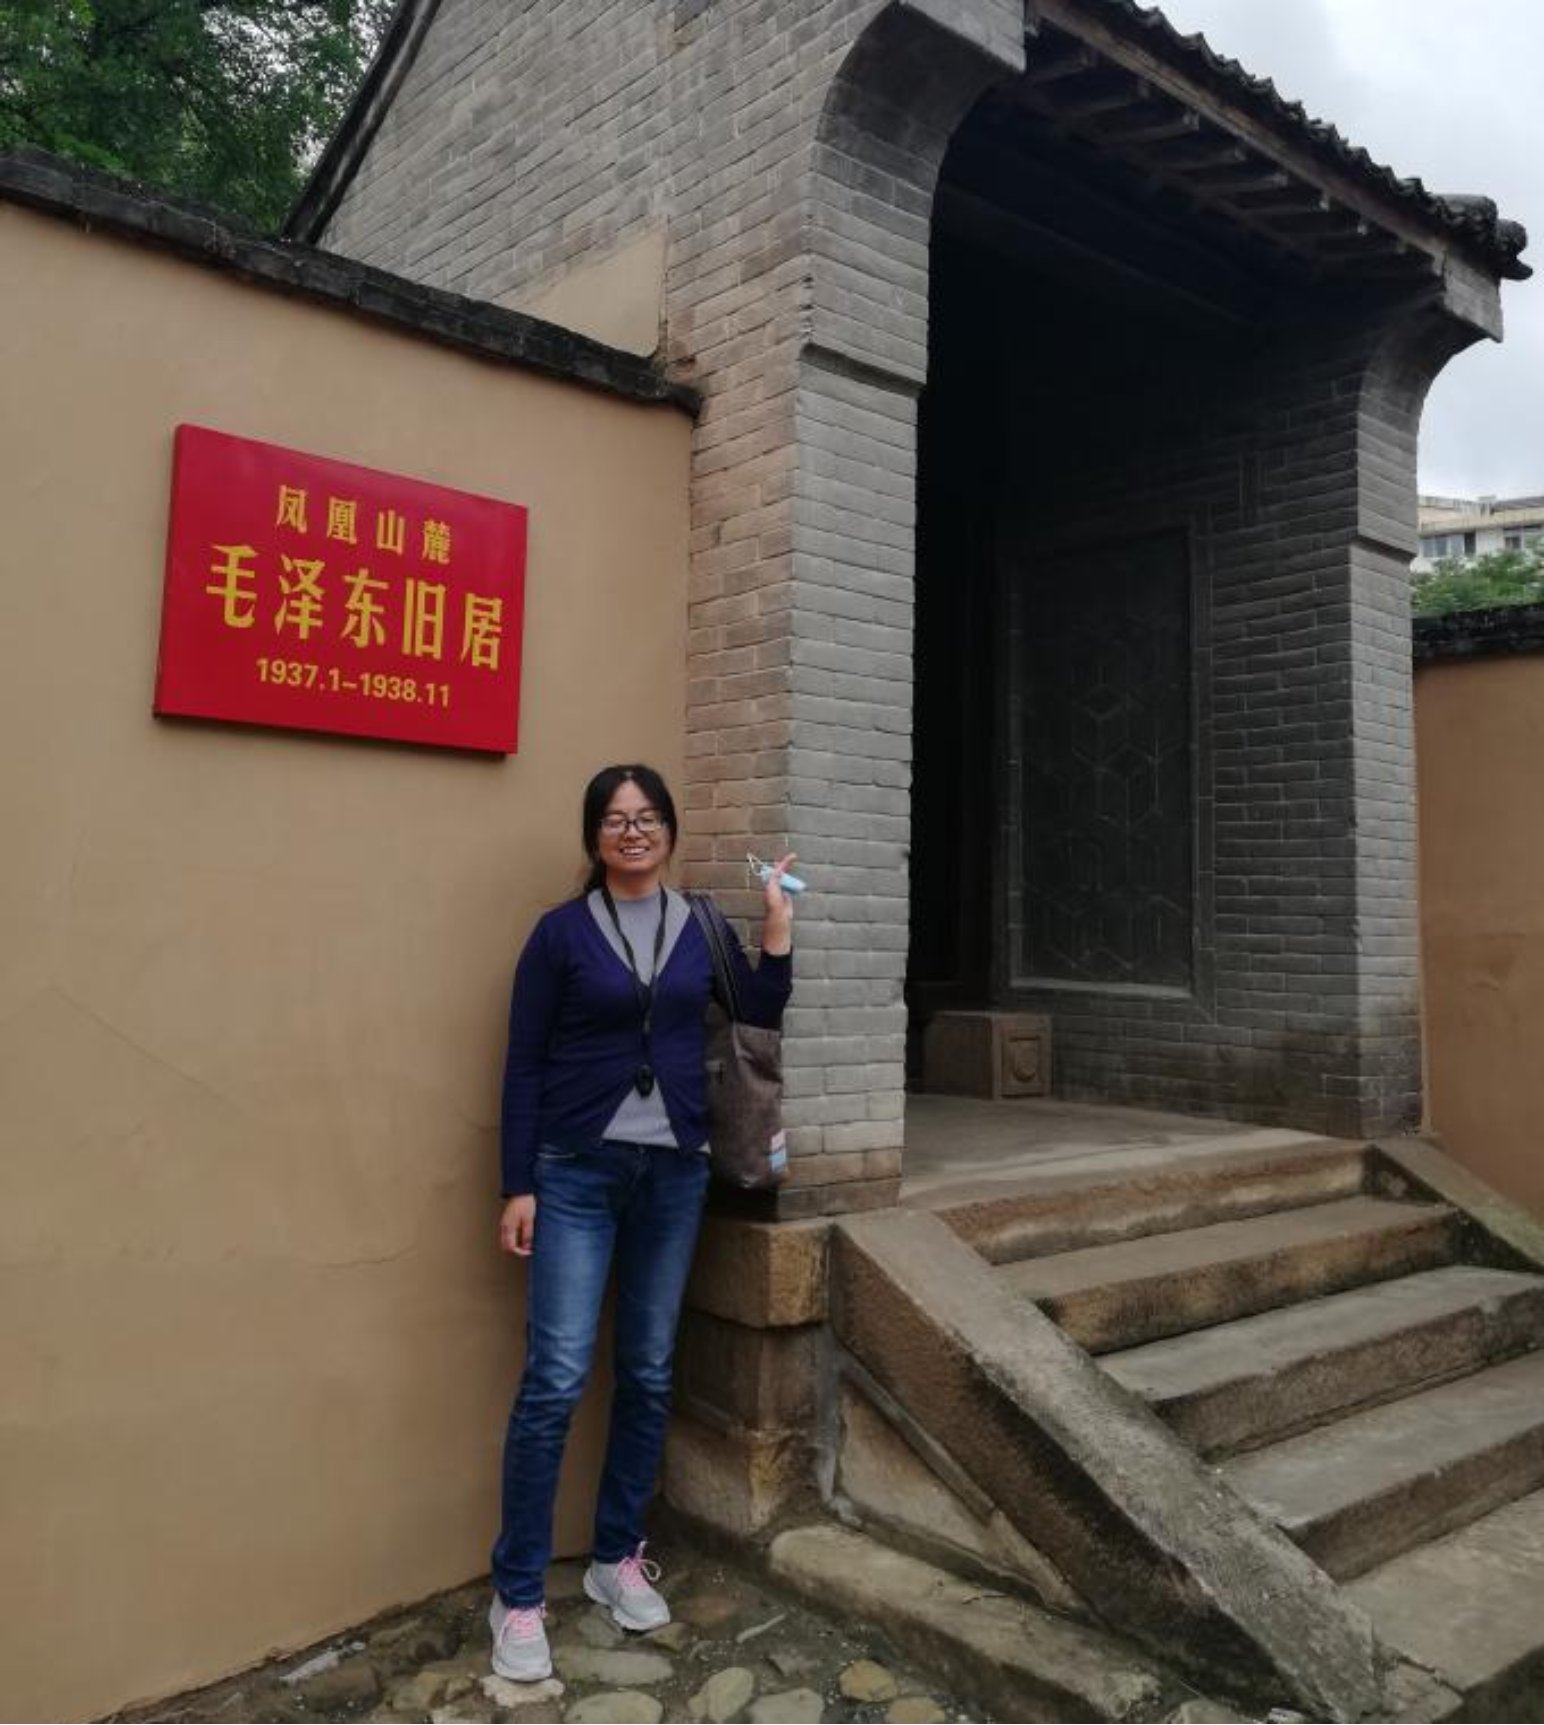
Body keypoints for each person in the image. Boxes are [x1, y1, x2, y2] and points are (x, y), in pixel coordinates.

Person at [488, 763, 795, 1681]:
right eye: (616, 819)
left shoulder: (699, 924)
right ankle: (518, 1593)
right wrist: (517, 1183)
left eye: (648, 816)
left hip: (674, 1172)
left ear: (668, 831)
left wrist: (775, 929)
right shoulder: (559, 934)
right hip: (576, 1171)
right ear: (594, 836)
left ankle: (617, 1555)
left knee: (651, 1370)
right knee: (555, 1378)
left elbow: (759, 1013)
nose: (633, 830)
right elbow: (523, 1062)